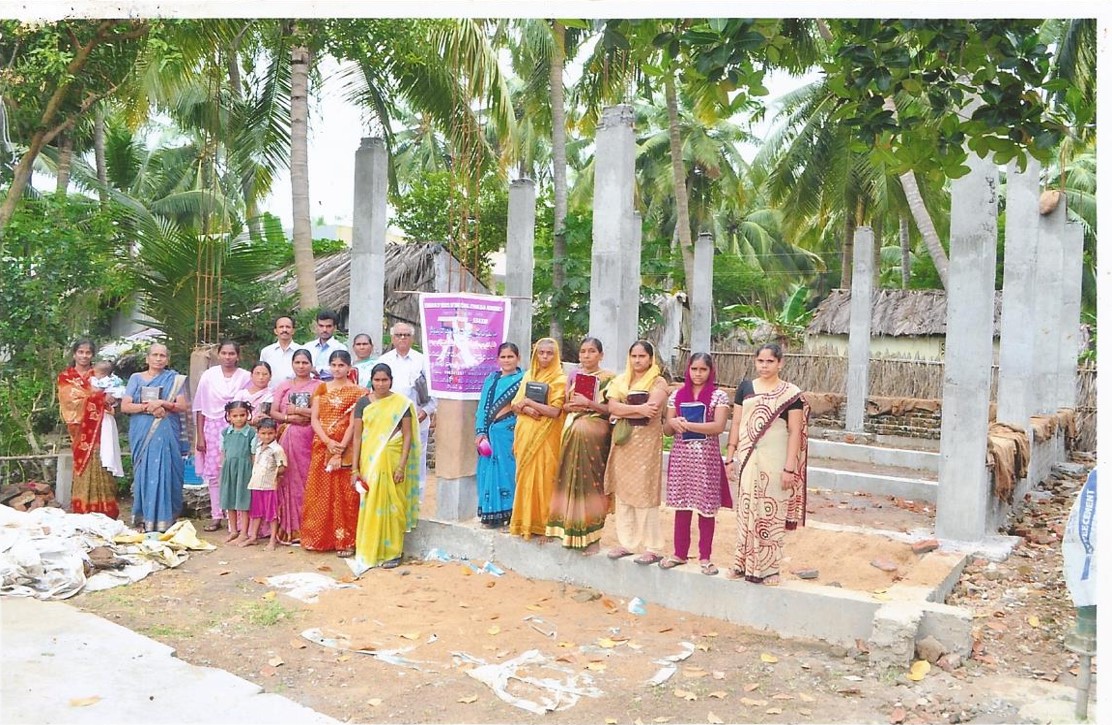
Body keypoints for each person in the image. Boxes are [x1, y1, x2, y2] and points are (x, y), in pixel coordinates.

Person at [725, 342, 809, 585]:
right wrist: (729, 457)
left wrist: (789, 468)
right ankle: (741, 563)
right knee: (745, 511)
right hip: (748, 458)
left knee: (771, 513)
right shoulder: (745, 388)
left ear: (780, 363)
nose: (764, 366)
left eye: (770, 361)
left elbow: (794, 431)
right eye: (760, 361)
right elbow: (737, 423)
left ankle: (771, 569)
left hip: (776, 460)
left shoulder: (790, 394)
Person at [660, 352, 731, 575]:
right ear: (688, 370)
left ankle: (705, 557)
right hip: (682, 458)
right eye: (694, 369)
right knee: (682, 506)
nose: (698, 374)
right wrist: (673, 422)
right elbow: (667, 430)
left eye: (703, 369)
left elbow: (718, 427)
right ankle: (679, 553)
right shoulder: (677, 395)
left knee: (706, 508)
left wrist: (688, 425)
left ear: (711, 371)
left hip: (706, 459)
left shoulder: (719, 396)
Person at [603, 339, 670, 565]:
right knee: (623, 492)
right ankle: (628, 543)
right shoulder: (621, 380)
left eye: (642, 356)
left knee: (645, 492)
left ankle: (653, 547)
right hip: (624, 443)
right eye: (634, 356)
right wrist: (637, 409)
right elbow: (612, 407)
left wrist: (624, 411)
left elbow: (651, 410)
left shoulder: (658, 381)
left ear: (651, 359)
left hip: (646, 444)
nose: (638, 360)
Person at [349, 363, 421, 572]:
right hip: (370, 460)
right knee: (371, 503)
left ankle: (393, 552)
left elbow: (407, 436)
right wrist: (354, 469)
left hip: (393, 458)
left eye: (384, 380)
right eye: (377, 380)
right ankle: (370, 549)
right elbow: (357, 437)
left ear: (391, 381)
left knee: (393, 504)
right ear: (371, 380)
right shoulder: (363, 403)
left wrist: (401, 466)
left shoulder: (401, 404)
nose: (380, 384)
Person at [546, 337, 614, 552]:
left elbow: (611, 409)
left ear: (601, 355)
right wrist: (573, 406)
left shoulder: (610, 379)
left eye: (592, 351)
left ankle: (592, 535)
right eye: (583, 351)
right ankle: (566, 530)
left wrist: (589, 404)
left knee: (590, 483)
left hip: (594, 435)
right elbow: (565, 406)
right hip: (572, 429)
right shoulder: (574, 377)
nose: (586, 355)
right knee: (567, 479)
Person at [120, 343, 189, 533]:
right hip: (142, 431)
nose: (158, 359)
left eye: (162, 355)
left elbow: (182, 406)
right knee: (145, 472)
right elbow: (125, 406)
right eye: (155, 355)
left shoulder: (174, 379)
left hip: (166, 431)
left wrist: (162, 403)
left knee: (167, 471)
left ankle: (166, 519)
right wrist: (148, 408)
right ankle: (144, 519)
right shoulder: (136, 378)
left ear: (167, 359)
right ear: (147, 358)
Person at [300, 350, 363, 556]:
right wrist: (327, 442)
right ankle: (319, 539)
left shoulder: (358, 392)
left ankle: (346, 541)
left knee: (345, 495)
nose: (337, 369)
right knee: (321, 493)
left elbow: (354, 423)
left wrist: (340, 448)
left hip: (346, 448)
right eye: (334, 365)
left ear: (349, 367)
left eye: (341, 365)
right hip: (322, 447)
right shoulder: (322, 388)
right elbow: (315, 419)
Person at [508, 338, 566, 540]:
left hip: (547, 438)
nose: (545, 357)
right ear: (535, 354)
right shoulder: (528, 376)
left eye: (549, 353)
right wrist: (527, 408)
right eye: (541, 353)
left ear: (556, 356)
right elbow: (514, 405)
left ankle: (545, 526)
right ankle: (525, 523)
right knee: (525, 480)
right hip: (525, 434)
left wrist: (529, 403)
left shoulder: (560, 379)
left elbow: (555, 411)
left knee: (546, 479)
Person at [56, 340, 120, 518]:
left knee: (103, 462)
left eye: (88, 353)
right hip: (82, 430)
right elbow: (70, 403)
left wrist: (111, 398)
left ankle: (106, 511)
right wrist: (99, 398)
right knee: (84, 467)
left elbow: (115, 394)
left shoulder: (100, 373)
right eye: (81, 352)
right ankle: (83, 511)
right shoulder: (66, 377)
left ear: (92, 355)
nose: (84, 356)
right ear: (74, 354)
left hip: (102, 427)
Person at [192, 340, 250, 532]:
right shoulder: (209, 376)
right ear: (218, 354)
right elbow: (200, 406)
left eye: (232, 353)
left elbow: (250, 405)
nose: (228, 357)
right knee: (215, 475)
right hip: (212, 427)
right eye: (224, 353)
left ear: (238, 356)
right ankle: (217, 515)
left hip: (238, 429)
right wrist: (200, 435)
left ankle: (238, 519)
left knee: (237, 472)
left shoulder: (245, 377)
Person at [378, 322, 436, 498]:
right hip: (389, 423)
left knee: (416, 461)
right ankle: (391, 498)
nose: (402, 338)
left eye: (406, 335)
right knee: (389, 458)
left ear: (412, 338)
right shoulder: (384, 361)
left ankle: (416, 501)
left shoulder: (423, 361)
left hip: (417, 420)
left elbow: (434, 391)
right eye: (398, 335)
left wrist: (426, 411)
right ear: (392, 338)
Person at [270, 348, 317, 544]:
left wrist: (299, 411)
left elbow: (321, 411)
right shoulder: (284, 386)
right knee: (287, 480)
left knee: (308, 481)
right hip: (287, 438)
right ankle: (289, 529)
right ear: (292, 364)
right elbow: (273, 412)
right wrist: (290, 418)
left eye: (305, 363)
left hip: (310, 439)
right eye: (297, 362)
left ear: (311, 365)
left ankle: (309, 529)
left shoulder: (319, 386)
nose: (301, 366)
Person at [474, 342, 523, 528]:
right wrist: (480, 431)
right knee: (486, 471)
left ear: (518, 358)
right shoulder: (491, 379)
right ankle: (490, 514)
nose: (507, 360)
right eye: (503, 357)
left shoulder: (523, 379)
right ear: (497, 359)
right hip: (488, 435)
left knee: (507, 471)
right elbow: (482, 407)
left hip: (509, 433)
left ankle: (509, 513)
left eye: (510, 356)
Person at [240, 418, 286, 550]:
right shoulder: (258, 447)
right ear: (258, 433)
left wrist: (273, 474)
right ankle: (253, 537)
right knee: (256, 513)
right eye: (263, 433)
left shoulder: (277, 449)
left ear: (275, 433)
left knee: (272, 514)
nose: (267, 436)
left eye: (270, 433)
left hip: (269, 486)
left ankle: (272, 540)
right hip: (256, 485)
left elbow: (282, 467)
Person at [218, 400, 257, 544]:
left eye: (242, 415)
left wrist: (254, 472)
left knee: (243, 502)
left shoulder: (251, 433)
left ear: (248, 415)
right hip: (229, 469)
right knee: (229, 500)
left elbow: (253, 454)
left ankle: (244, 533)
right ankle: (233, 531)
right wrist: (223, 469)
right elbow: (223, 452)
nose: (239, 419)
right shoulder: (225, 433)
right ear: (229, 416)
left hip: (245, 471)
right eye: (235, 416)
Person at [89, 359, 126, 478]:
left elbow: (112, 395)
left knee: (107, 443)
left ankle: (108, 463)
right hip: (92, 418)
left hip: (105, 415)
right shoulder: (111, 381)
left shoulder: (107, 381)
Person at [302, 309, 347, 381]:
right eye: (321, 326)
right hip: (308, 385)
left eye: (328, 326)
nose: (324, 330)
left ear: (335, 328)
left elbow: (342, 369)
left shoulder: (341, 348)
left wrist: (315, 369)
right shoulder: (307, 347)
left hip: (332, 386)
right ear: (317, 326)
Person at [259, 316, 303, 386]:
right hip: (271, 391)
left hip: (296, 390)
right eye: (281, 327)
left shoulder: (301, 351)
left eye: (288, 327)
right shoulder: (266, 351)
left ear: (293, 330)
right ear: (275, 331)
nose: (284, 330)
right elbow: (261, 373)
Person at [234, 361, 274, 426]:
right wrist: (252, 421)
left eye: (265, 374)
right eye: (257, 373)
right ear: (251, 375)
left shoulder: (273, 394)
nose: (261, 377)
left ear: (270, 376)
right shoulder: (241, 395)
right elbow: (233, 417)